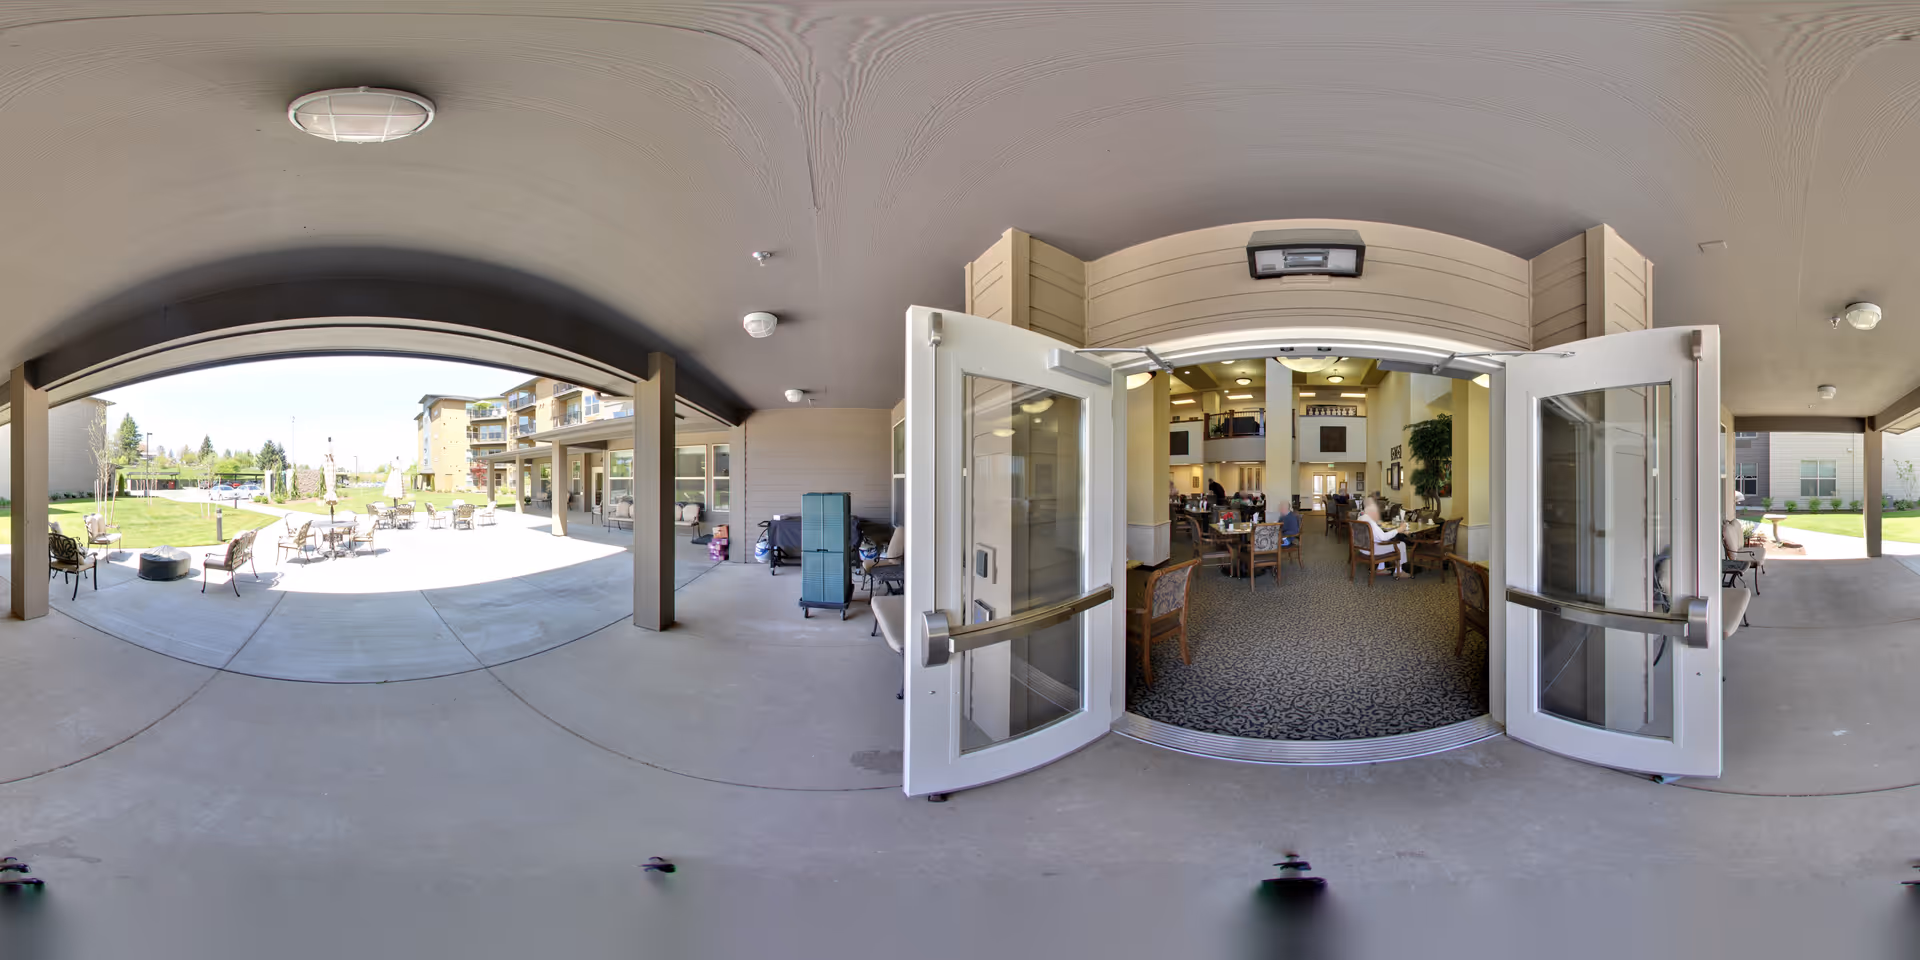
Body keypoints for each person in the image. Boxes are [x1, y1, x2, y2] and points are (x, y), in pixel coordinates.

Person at [1359, 499, 1414, 580]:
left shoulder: (1361, 518)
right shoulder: (1370, 522)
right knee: (1401, 544)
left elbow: (1375, 535)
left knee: (1387, 541)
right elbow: (1383, 537)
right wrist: (1398, 530)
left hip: (1363, 548)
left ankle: (1380, 568)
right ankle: (1399, 571)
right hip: (1372, 549)